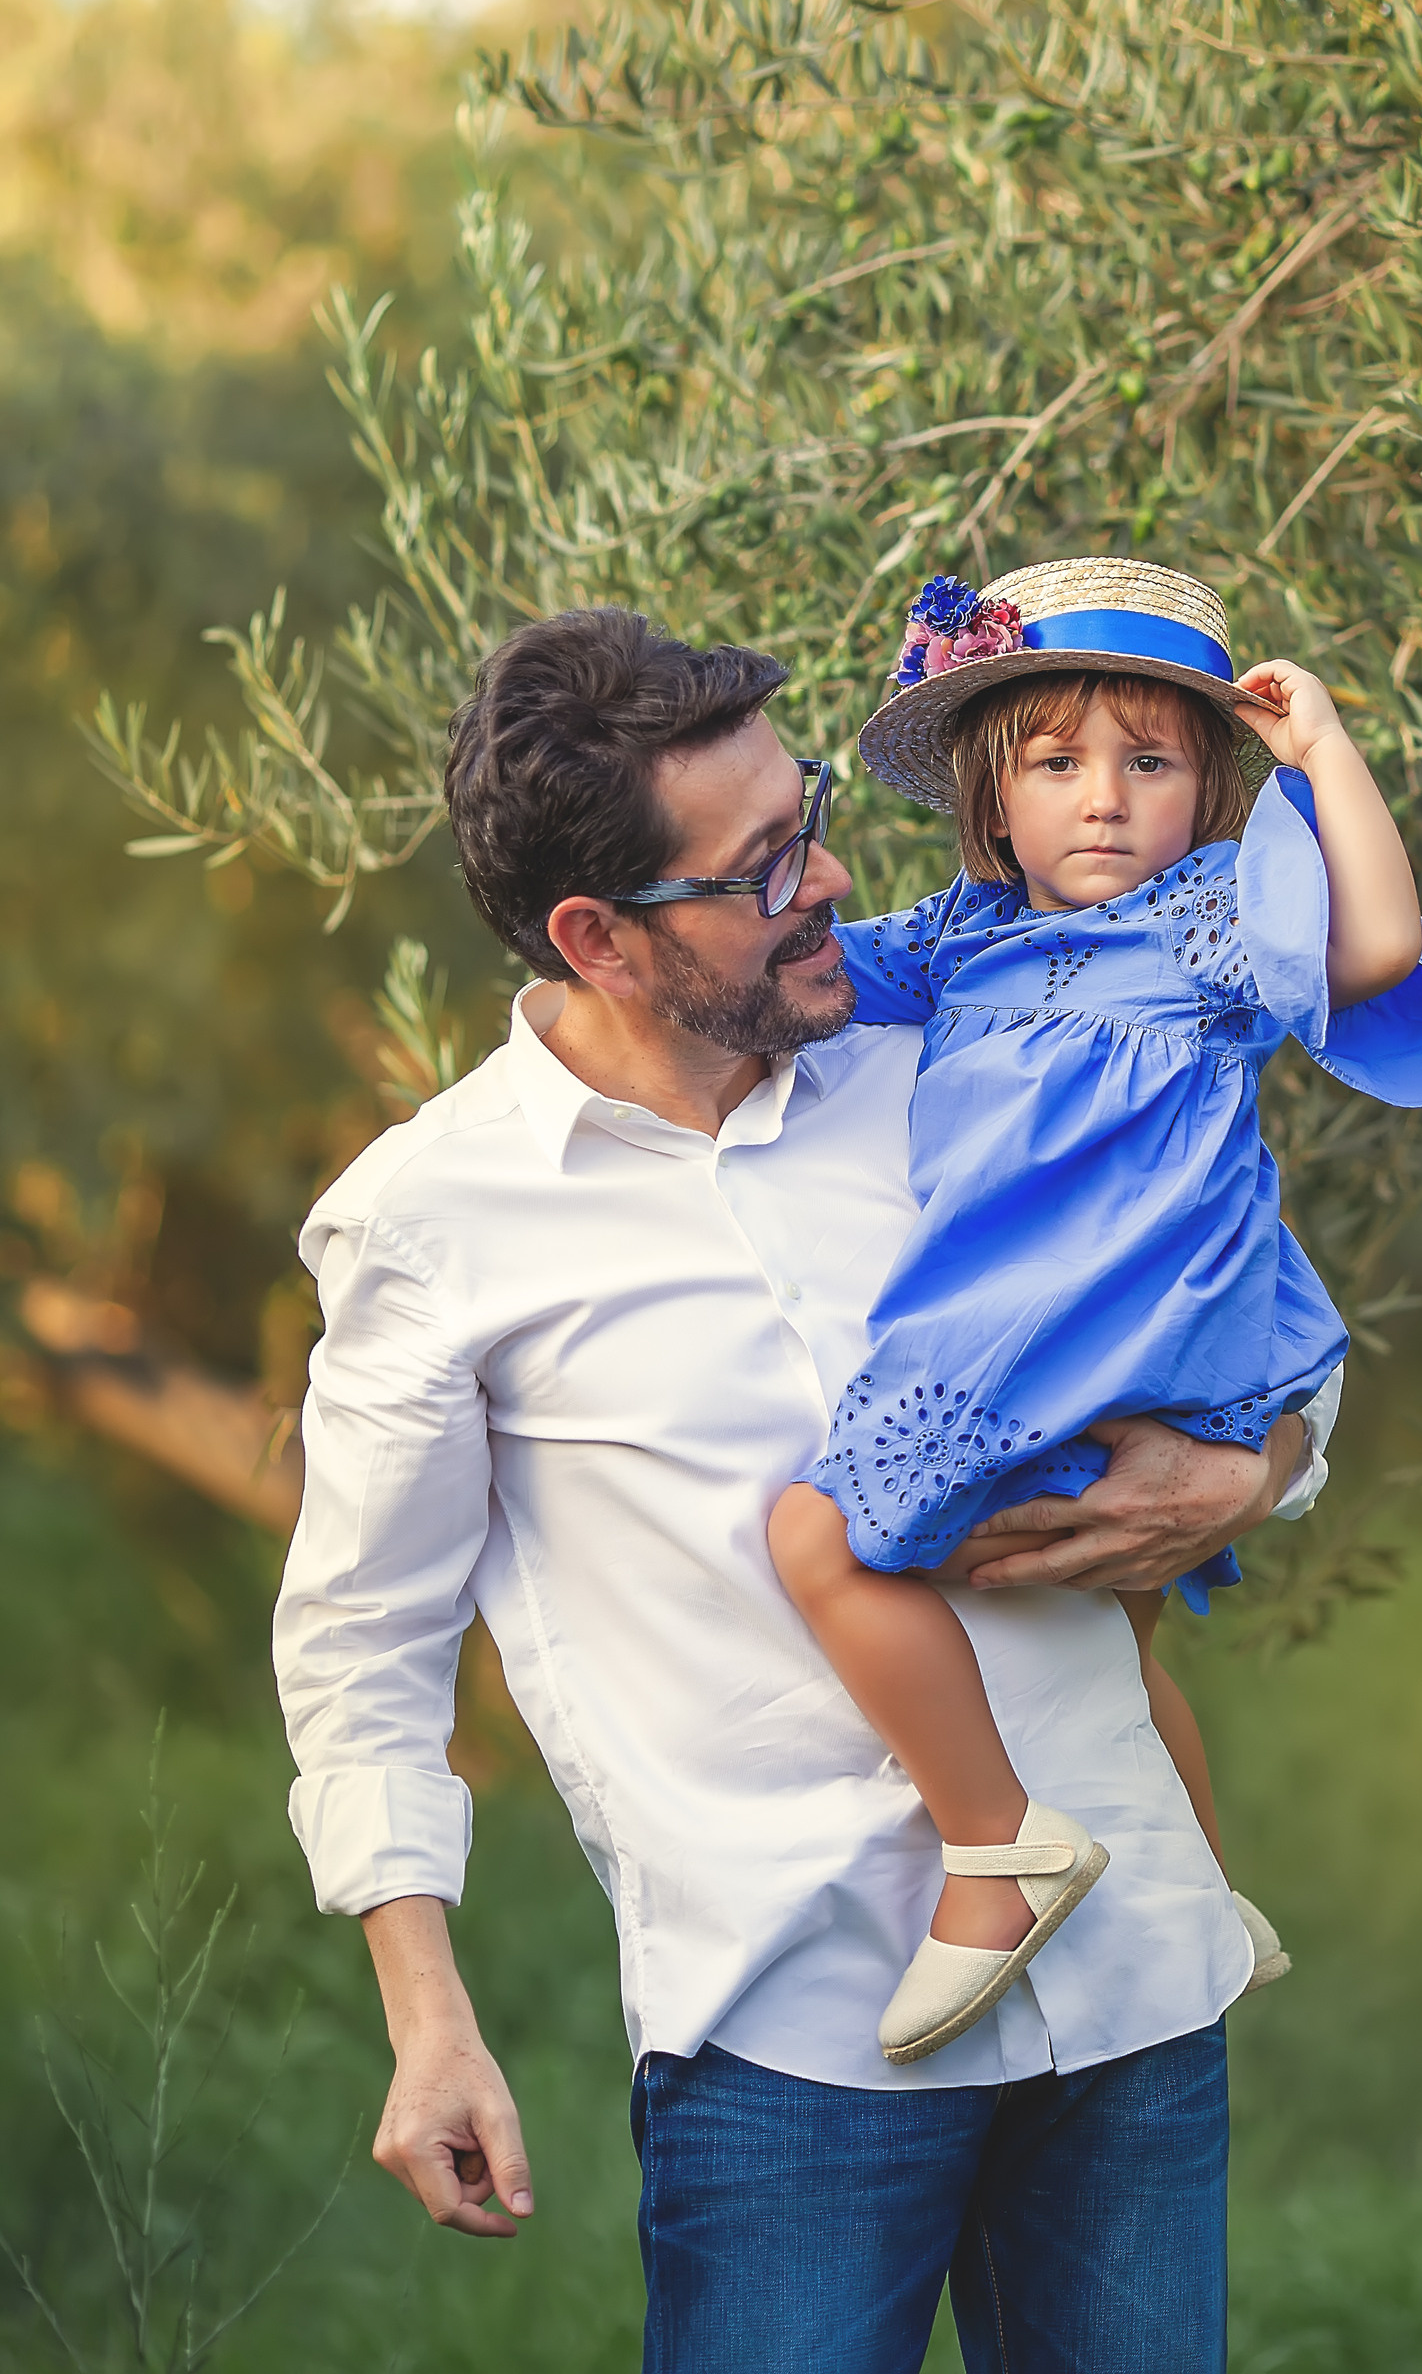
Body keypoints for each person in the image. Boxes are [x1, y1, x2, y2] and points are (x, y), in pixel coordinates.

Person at [271, 604, 1338, 2374]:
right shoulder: (433, 1220)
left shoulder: (963, 1049)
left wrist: (1251, 1472)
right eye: (765, 868)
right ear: (599, 936)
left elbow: (1251, 1304)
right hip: (798, 2045)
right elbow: (363, 1647)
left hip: (1135, 1987)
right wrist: (427, 2012)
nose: (834, 875)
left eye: (812, 812)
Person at [767, 557, 1422, 2065]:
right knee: (1125, 1652)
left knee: (816, 1539)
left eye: (1150, 762)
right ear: (992, 800)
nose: (1105, 800)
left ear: (1206, 787)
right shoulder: (960, 942)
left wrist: (1328, 757)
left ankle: (994, 1851)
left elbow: (1372, 951)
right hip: (1125, 1360)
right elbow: (799, 980)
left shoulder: (1209, 924)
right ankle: (1213, 1899)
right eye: (1057, 763)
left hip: (1087, 1349)